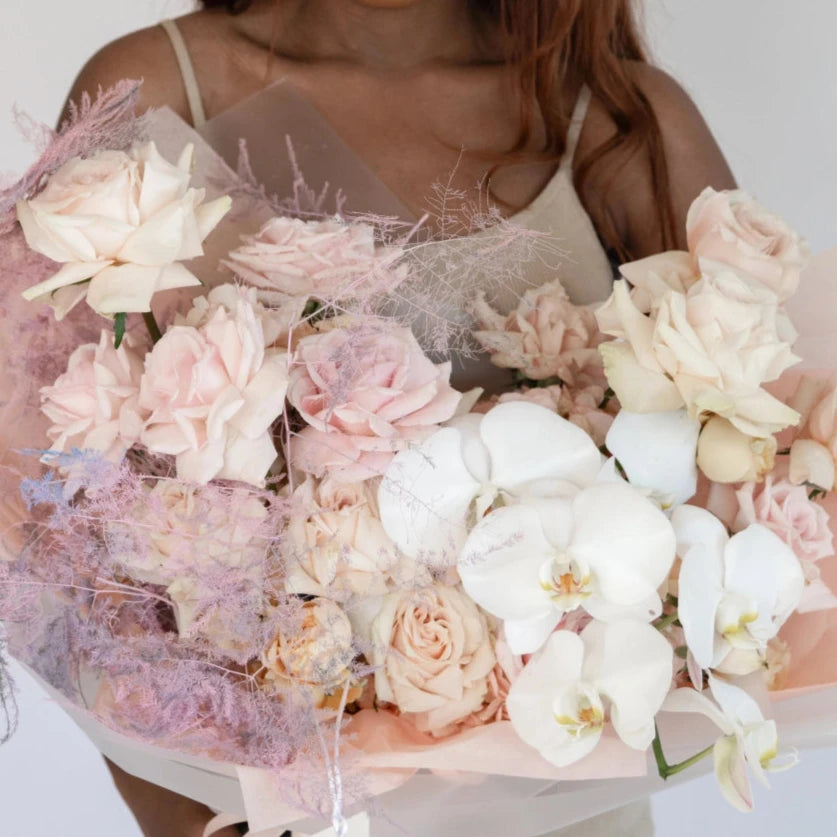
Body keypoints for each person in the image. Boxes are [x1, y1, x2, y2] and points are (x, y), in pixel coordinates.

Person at [61, 1, 736, 835]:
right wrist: (192, 822)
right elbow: (69, 555)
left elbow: (747, 507)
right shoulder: (160, 91)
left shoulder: (620, 120)